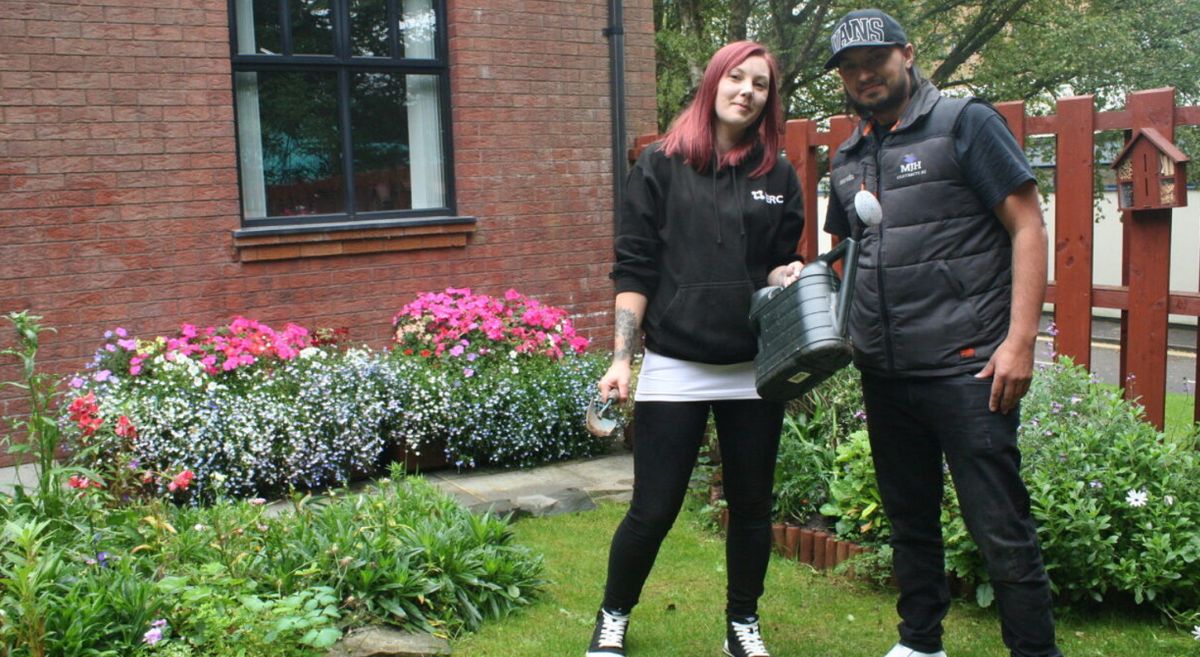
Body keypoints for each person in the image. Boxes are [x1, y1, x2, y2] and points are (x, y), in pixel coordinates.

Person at [821, 9, 1060, 657]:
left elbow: (1028, 228)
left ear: (908, 52)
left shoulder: (966, 124)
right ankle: (920, 642)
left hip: (968, 367)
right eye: (849, 66)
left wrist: (1019, 342)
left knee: (1000, 527)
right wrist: (813, 273)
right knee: (910, 523)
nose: (864, 74)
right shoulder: (848, 156)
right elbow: (846, 252)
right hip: (886, 371)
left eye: (875, 59)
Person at [586, 40, 805, 657]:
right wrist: (622, 358)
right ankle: (613, 617)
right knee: (652, 510)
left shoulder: (777, 176)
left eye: (760, 85)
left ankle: (742, 623)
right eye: (737, 78)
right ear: (713, 83)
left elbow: (771, 266)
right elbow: (634, 270)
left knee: (753, 506)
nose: (747, 91)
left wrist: (781, 276)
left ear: (768, 99)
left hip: (751, 371)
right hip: (676, 366)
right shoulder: (658, 165)